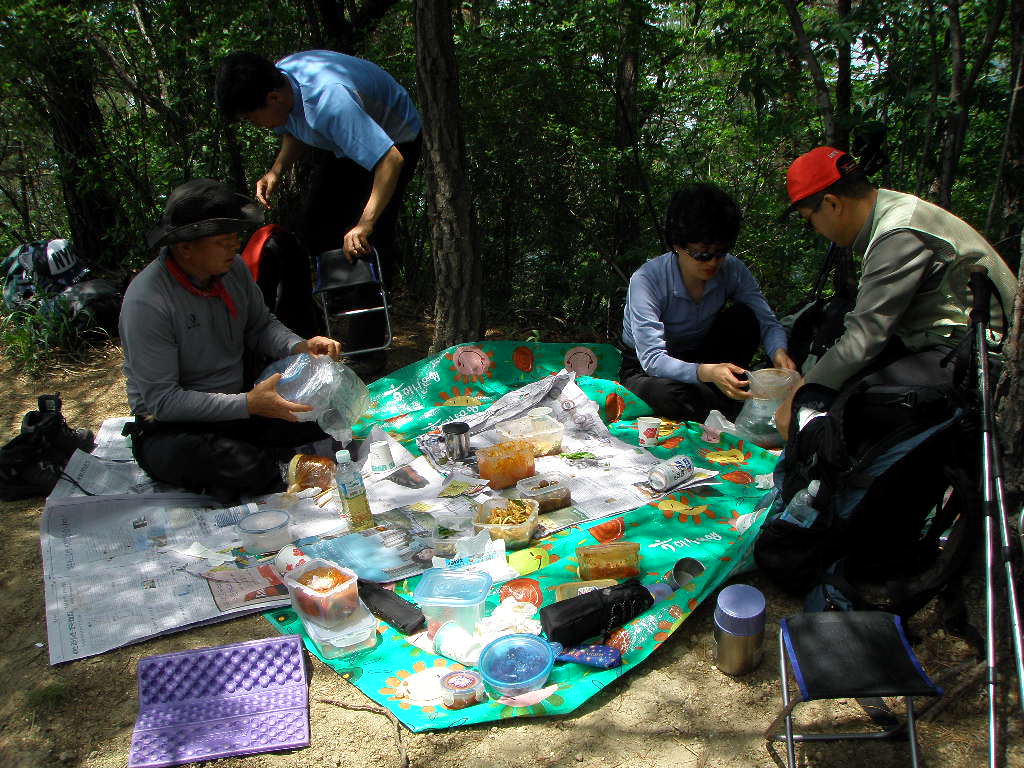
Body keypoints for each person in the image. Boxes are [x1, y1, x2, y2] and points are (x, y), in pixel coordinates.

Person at [119, 178, 343, 503]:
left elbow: (260, 325)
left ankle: (260, 464)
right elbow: (163, 402)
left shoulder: (232, 270)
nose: (234, 248)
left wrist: (301, 346)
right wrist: (248, 404)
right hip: (174, 427)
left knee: (320, 416)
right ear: (185, 248)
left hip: (238, 409)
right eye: (223, 242)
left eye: (234, 239)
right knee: (234, 462)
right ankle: (274, 469)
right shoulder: (148, 301)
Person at [775, 146, 1018, 439]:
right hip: (941, 342)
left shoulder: (897, 233)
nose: (815, 229)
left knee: (853, 409)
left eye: (808, 220)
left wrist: (800, 394)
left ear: (832, 204)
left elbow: (863, 340)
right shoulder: (893, 211)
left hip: (979, 354)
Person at [215, 50, 422, 374]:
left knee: (362, 244)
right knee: (314, 228)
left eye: (252, 118)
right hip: (347, 144)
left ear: (273, 98)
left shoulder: (330, 102)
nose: (256, 126)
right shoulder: (280, 79)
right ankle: (330, 313)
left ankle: (367, 352)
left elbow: (390, 160)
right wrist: (276, 170)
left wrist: (364, 224)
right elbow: (294, 127)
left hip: (395, 141)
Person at [619, 183, 796, 423]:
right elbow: (652, 359)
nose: (713, 263)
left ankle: (724, 396)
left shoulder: (732, 270)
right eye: (702, 254)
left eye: (720, 252)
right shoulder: (647, 280)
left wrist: (779, 352)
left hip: (703, 354)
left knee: (744, 317)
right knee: (671, 395)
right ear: (677, 245)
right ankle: (729, 400)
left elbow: (767, 321)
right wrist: (708, 372)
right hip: (648, 367)